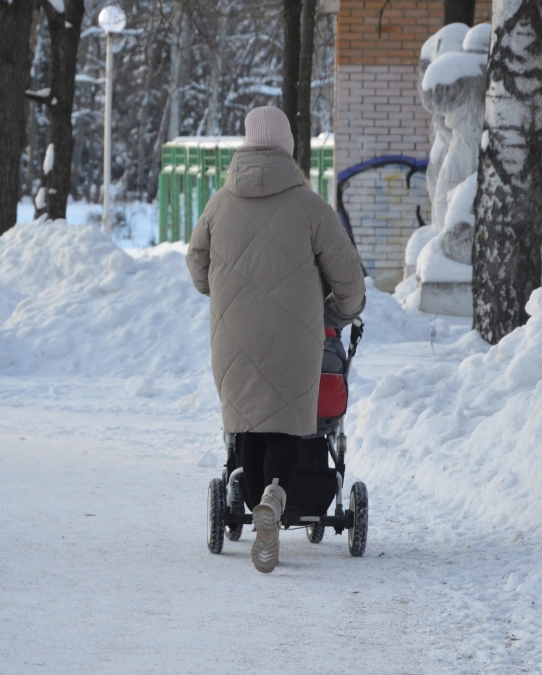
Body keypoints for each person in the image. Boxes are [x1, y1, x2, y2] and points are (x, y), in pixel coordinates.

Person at [186, 106, 365, 573]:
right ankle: (277, 493)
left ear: (245, 146)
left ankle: (254, 496)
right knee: (289, 424)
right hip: (296, 337)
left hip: (234, 335)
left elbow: (197, 265)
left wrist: (223, 290)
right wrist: (338, 313)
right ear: (288, 148)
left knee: (247, 424)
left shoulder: (219, 203)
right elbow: (349, 277)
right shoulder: (310, 207)